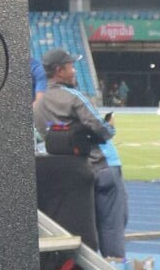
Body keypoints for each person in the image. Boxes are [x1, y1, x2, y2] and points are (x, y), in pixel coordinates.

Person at [34, 49, 127, 258]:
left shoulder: (37, 103)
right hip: (102, 165)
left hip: (70, 173)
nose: (74, 71)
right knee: (112, 224)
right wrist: (110, 125)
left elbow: (43, 136)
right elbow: (103, 130)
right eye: (71, 66)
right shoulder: (74, 96)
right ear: (59, 71)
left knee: (85, 229)